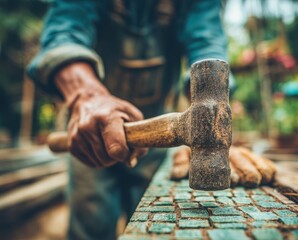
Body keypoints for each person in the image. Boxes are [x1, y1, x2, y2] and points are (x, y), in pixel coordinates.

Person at [28, 0, 275, 239]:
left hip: (154, 143)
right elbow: (62, 36)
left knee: (152, 223)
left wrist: (215, 128)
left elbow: (207, 49)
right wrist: (87, 96)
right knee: (92, 225)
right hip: (89, 132)